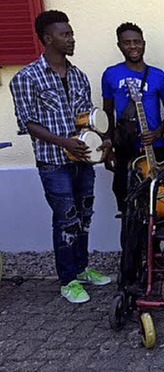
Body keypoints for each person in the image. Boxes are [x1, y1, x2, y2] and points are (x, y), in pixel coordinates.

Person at [9, 10, 111, 304]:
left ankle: (81, 268)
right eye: (64, 35)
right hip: (53, 162)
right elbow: (27, 123)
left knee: (85, 217)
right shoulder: (27, 77)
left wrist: (101, 139)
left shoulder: (78, 75)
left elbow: (87, 116)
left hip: (83, 160)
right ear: (47, 39)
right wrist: (64, 142)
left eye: (71, 33)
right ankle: (68, 280)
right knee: (66, 220)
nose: (71, 39)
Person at [101, 22, 164, 216]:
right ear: (119, 45)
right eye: (127, 42)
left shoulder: (159, 76)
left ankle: (153, 245)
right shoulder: (110, 74)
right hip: (125, 147)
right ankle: (131, 245)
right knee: (125, 199)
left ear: (144, 44)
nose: (133, 46)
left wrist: (157, 133)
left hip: (154, 150)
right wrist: (108, 146)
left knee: (157, 201)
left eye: (137, 42)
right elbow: (107, 113)